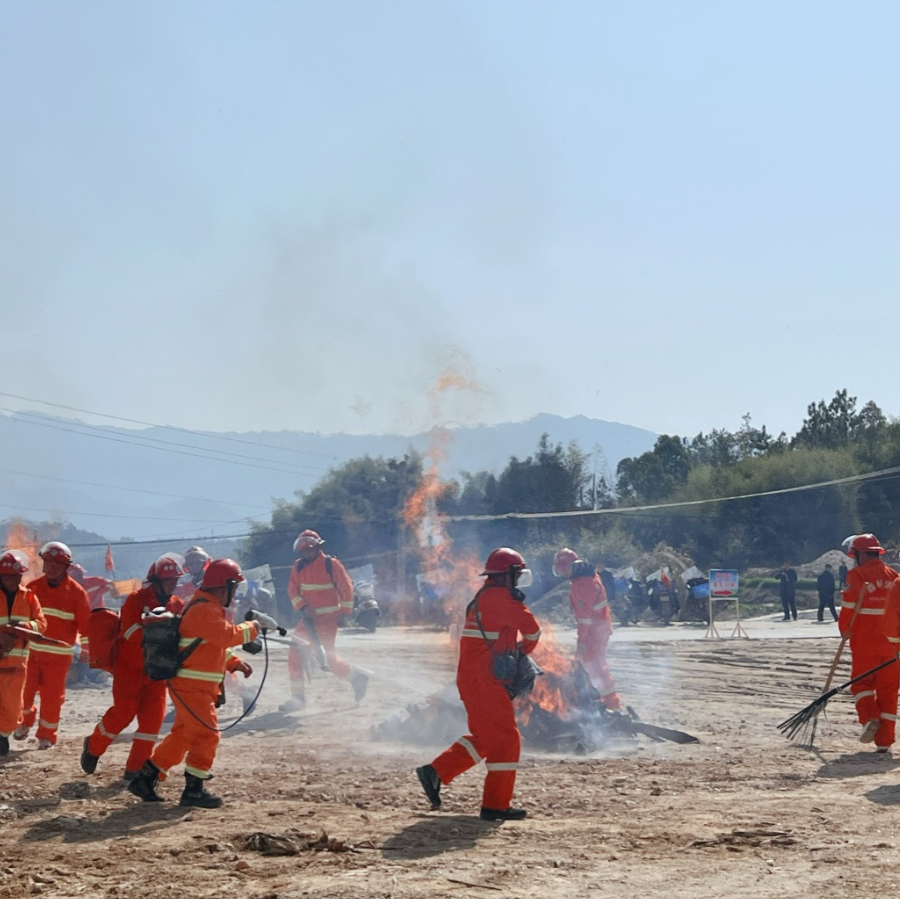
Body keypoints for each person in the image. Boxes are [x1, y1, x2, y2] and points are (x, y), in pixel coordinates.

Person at [416, 547, 542, 821]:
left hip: (475, 679)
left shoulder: (484, 596)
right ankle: (496, 805)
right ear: (508, 574)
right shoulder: (502, 599)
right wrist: (523, 654)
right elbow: (533, 630)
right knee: (506, 740)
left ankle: (435, 771)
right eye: (517, 573)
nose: (519, 579)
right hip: (486, 681)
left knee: (486, 738)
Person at [127, 559, 262, 808]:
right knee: (207, 735)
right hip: (191, 687)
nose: (235, 593)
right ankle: (194, 790)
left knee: (184, 735)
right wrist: (253, 627)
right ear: (224, 586)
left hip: (195, 687)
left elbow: (210, 644)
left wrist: (234, 663)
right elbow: (226, 635)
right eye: (234, 587)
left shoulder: (207, 607)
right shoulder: (203, 609)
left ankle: (146, 777)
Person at [81, 554, 188, 781]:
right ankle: (93, 746)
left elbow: (184, 636)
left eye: (175, 580)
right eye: (169, 580)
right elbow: (130, 633)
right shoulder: (135, 600)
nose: (173, 585)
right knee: (123, 714)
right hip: (129, 670)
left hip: (157, 672)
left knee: (152, 723)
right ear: (156, 581)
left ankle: (135, 770)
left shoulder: (178, 605)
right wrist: (160, 632)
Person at [15, 542, 91, 749]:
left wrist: (86, 649)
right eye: (48, 563)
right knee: (23, 692)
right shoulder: (32, 588)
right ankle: (24, 722)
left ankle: (46, 736)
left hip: (58, 658)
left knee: (52, 699)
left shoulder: (76, 592)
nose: (52, 567)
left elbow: (86, 625)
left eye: (57, 564)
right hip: (30, 654)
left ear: (66, 567)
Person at [282, 529, 367, 711]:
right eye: (304, 551)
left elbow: (346, 588)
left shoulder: (331, 564)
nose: (307, 553)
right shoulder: (298, 567)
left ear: (318, 547)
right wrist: (303, 606)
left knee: (327, 658)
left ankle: (356, 678)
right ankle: (297, 699)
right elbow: (292, 590)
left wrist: (344, 612)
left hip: (328, 620)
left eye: (309, 549)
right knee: (294, 655)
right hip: (307, 620)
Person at [839, 533, 900, 752]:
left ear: (861, 555)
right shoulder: (894, 576)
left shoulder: (856, 575)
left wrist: (844, 630)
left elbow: (848, 607)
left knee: (861, 684)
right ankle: (884, 742)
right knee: (888, 691)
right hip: (892, 645)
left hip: (865, 642)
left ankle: (870, 717)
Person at [552, 548, 620, 709]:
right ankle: (600, 700)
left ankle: (610, 703)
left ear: (571, 566)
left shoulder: (582, 584)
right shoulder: (588, 576)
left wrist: (581, 641)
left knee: (594, 666)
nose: (562, 573)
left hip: (593, 632)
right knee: (593, 666)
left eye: (564, 569)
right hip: (599, 629)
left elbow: (585, 619)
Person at [0, 550, 47, 757]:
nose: (13, 580)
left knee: (11, 712)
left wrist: (25, 627)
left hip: (16, 666)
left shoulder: (28, 597)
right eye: (8, 576)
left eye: (17, 576)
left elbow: (42, 624)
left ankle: (3, 735)